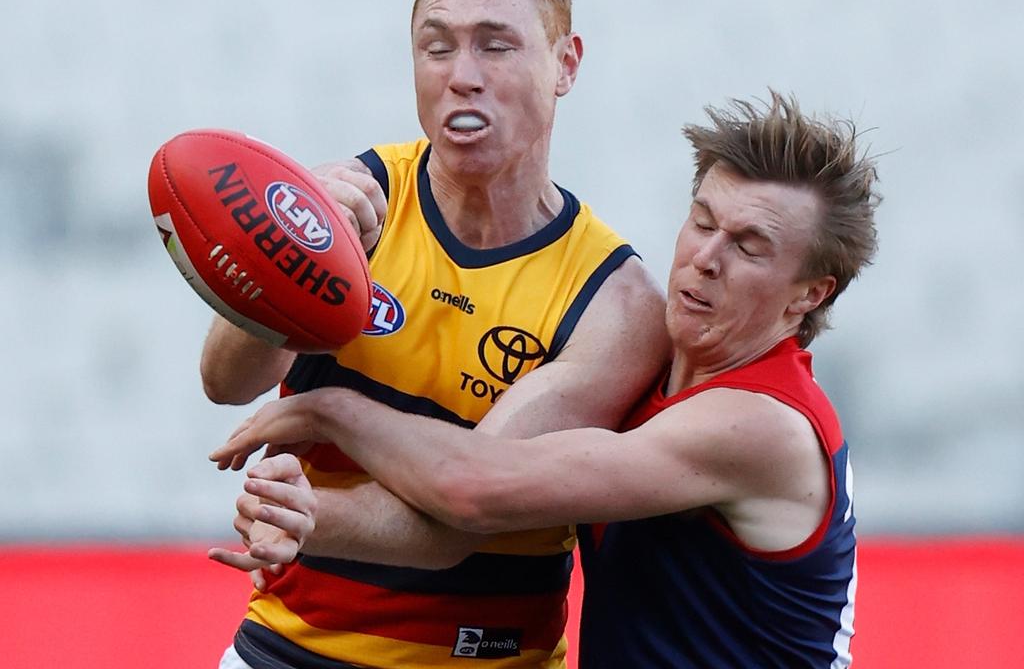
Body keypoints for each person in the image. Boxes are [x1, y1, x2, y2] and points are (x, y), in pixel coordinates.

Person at [211, 91, 881, 668]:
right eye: (703, 221)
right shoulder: (655, 376)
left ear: (810, 295)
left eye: (749, 247)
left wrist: (329, 409)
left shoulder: (760, 425)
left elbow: (472, 492)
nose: (706, 257)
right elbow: (221, 378)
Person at [200, 0, 669, 669]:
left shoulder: (614, 300)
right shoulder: (359, 199)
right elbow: (225, 383)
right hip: (285, 650)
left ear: (566, 63)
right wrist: (281, 253)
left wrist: (309, 503)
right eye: (437, 45)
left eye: (495, 43)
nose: (461, 73)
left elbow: (462, 514)